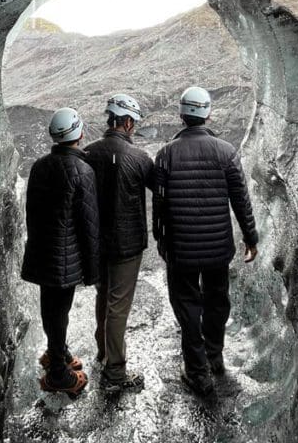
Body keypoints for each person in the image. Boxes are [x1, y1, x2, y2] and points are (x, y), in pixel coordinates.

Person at [153, 86, 259, 396]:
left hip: (181, 249)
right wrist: (250, 237)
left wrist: (161, 240)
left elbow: (158, 206)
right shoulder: (226, 151)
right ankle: (214, 356)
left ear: (182, 115)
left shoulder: (166, 154)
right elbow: (241, 200)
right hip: (217, 249)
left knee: (187, 305)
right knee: (217, 300)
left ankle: (197, 372)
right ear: (208, 114)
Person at [20, 107, 100, 397]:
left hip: (42, 252)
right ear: (78, 133)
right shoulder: (83, 171)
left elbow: (32, 212)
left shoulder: (40, 166)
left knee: (50, 308)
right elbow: (89, 226)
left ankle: (58, 354)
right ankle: (58, 374)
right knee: (59, 312)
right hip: (66, 260)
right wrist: (93, 273)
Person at [83, 93, 154, 393]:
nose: (134, 128)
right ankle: (115, 372)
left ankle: (103, 352)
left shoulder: (88, 153)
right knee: (118, 307)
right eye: (133, 123)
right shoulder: (139, 158)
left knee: (103, 297)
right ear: (126, 122)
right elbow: (161, 188)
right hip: (127, 246)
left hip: (97, 244)